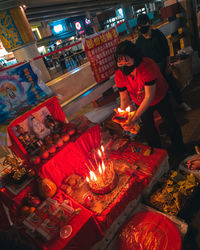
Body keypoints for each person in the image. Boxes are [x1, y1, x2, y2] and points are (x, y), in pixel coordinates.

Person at [114, 40, 186, 154]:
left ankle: (180, 150)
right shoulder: (119, 75)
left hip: (159, 96)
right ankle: (157, 154)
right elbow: (124, 99)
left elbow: (149, 97)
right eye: (120, 61)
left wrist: (135, 117)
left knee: (171, 123)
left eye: (126, 61)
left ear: (135, 58)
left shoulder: (147, 67)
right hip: (139, 100)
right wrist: (124, 118)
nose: (123, 65)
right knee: (149, 129)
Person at [136, 14, 191, 112]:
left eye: (145, 25)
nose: (143, 29)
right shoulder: (139, 41)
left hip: (162, 64)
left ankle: (180, 102)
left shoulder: (157, 34)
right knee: (158, 90)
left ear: (149, 24)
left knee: (171, 83)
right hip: (150, 71)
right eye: (140, 27)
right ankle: (167, 109)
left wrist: (167, 65)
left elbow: (166, 50)